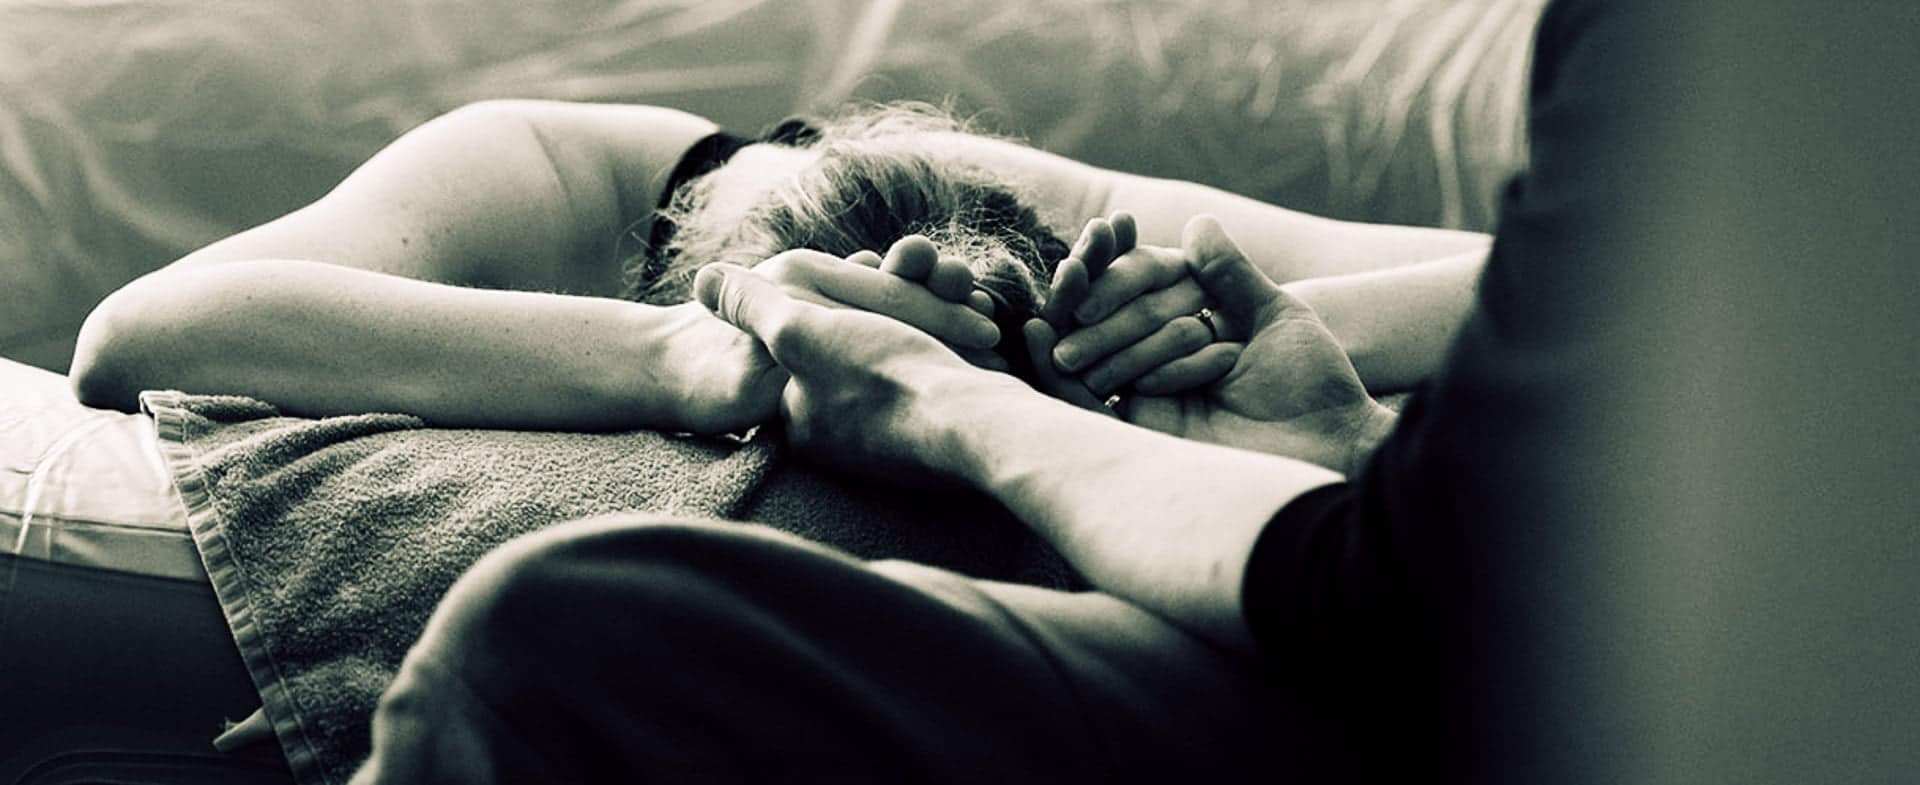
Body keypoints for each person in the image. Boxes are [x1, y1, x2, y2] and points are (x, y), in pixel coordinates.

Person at [336, 0, 1811, 782]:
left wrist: (955, 396)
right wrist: (1335, 431)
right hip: (1438, 613)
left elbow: (1413, 582)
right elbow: (149, 329)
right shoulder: (546, 165)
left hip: (1459, 662)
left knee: (564, 635)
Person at [69, 102, 1488, 433]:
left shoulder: (1042, 214)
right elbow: (140, 331)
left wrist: (1178, 325)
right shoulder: (532, 174)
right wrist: (706, 358)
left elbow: (1543, 283)